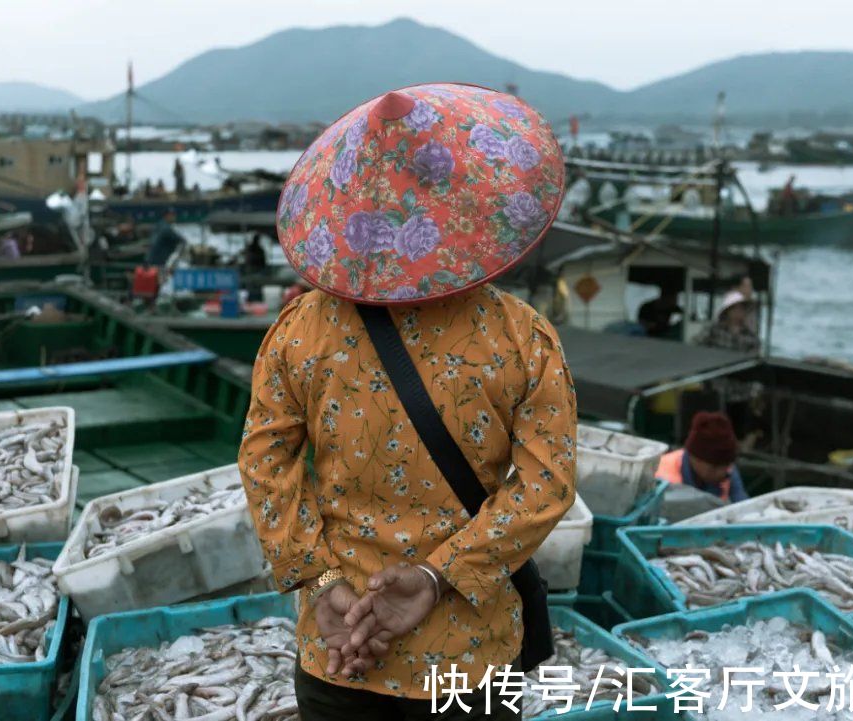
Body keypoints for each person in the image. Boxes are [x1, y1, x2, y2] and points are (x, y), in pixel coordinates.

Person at [237, 84, 577, 718]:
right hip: (471, 657)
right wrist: (436, 574)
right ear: (474, 203)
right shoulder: (521, 335)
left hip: (339, 649)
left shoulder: (299, 331)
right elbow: (545, 484)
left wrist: (320, 579)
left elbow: (265, 464)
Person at [656, 411, 748, 502]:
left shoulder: (727, 469)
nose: (722, 473)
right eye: (714, 467)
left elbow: (743, 505)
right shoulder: (662, 479)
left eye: (727, 465)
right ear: (694, 458)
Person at [694, 288, 760, 354]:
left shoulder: (750, 337)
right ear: (727, 311)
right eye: (734, 308)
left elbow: (753, 358)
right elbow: (696, 345)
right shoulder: (713, 330)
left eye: (741, 309)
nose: (738, 312)